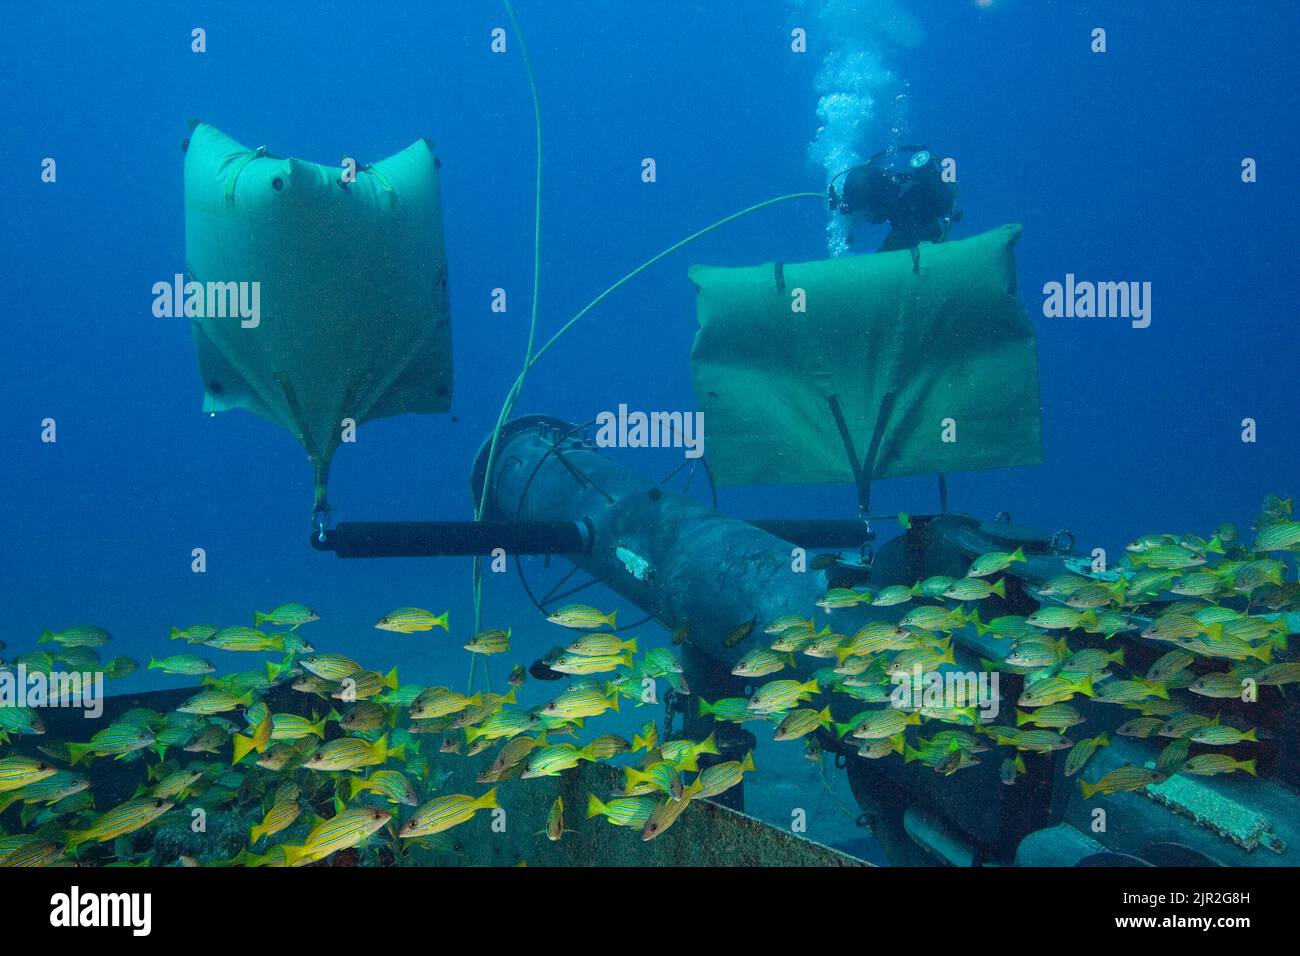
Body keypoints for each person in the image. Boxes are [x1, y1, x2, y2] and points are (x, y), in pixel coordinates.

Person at [830, 146, 960, 252]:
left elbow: (904, 240)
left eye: (867, 211)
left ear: (876, 203)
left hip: (925, 233)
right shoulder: (882, 192)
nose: (867, 216)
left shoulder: (909, 202)